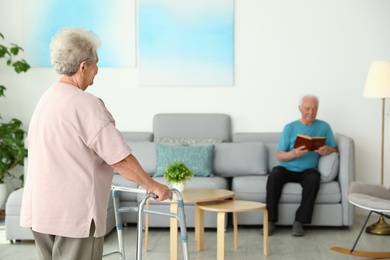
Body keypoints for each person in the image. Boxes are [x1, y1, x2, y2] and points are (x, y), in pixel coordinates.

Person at [20, 27, 171, 259]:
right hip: (73, 217)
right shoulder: (86, 104)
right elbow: (120, 159)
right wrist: (153, 185)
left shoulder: (46, 99)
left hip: (40, 211)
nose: (97, 71)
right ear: (83, 66)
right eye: (95, 64)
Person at [265, 95, 337, 237]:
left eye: (314, 109)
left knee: (314, 179)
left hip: (308, 170)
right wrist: (293, 154)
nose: (311, 112)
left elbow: (335, 149)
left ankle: (299, 221)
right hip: (286, 168)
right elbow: (279, 155)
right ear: (300, 109)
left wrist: (327, 150)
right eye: (307, 109)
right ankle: (270, 221)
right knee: (274, 176)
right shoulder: (290, 128)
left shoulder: (324, 127)